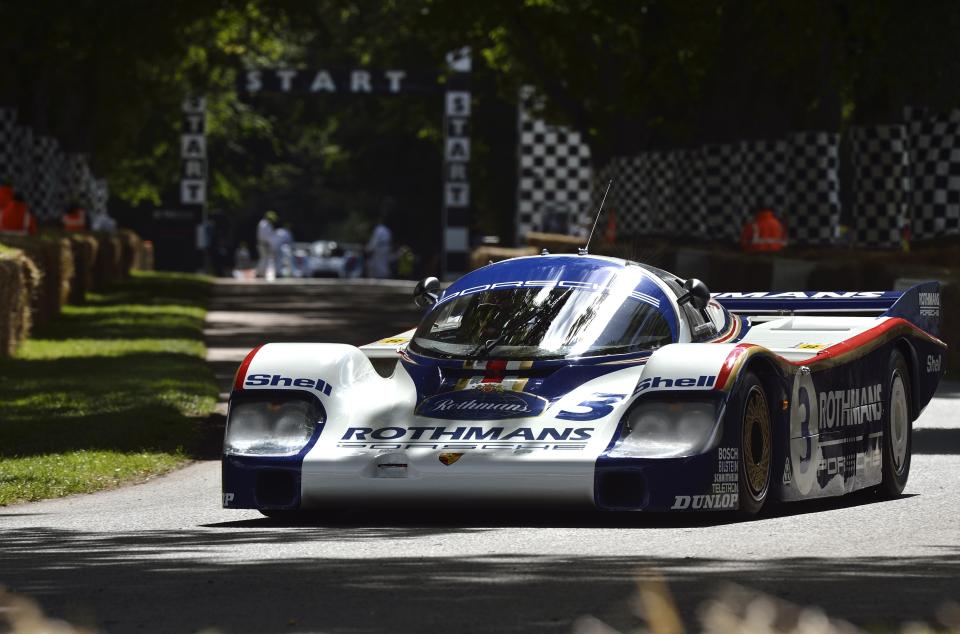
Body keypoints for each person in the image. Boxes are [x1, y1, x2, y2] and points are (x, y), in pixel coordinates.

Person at [365, 212, 393, 278]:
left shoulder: (378, 230)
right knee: (384, 265)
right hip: (386, 248)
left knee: (376, 265)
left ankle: (379, 279)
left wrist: (368, 248)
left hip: (379, 249)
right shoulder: (387, 230)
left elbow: (373, 243)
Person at [256, 210, 278, 280]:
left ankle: (261, 273)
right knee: (264, 259)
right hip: (264, 244)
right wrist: (268, 244)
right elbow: (265, 237)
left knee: (265, 259)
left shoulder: (266, 224)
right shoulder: (264, 224)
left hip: (264, 244)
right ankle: (260, 274)